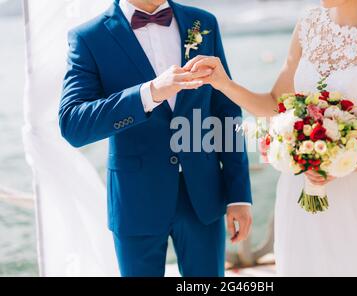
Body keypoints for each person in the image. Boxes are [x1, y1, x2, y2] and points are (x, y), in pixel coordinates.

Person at [184, 0, 357, 276]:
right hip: (302, 194)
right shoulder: (309, 25)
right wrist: (224, 84)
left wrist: (353, 163)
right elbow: (277, 103)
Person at [59, 0, 252, 277]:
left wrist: (239, 195)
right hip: (136, 200)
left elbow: (226, 111)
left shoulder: (203, 23)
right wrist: (149, 93)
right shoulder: (89, 37)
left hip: (204, 196)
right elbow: (73, 124)